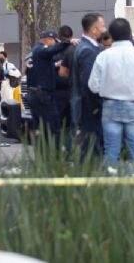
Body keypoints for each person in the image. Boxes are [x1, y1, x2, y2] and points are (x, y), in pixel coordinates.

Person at [88, 18, 134, 166]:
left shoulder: (103, 56)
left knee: (111, 150)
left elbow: (93, 85)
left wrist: (107, 88)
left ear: (111, 35)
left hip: (110, 105)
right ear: (130, 33)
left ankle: (110, 185)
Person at [63, 13, 106, 159]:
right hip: (88, 107)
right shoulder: (88, 50)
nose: (104, 30)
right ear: (94, 30)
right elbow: (88, 82)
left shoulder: (83, 47)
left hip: (82, 104)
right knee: (90, 149)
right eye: (102, 26)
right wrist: (95, 105)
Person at [29, 30, 74, 146]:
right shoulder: (41, 50)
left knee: (40, 128)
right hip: (42, 95)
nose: (55, 44)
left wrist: (55, 65)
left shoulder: (35, 52)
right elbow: (52, 50)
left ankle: (42, 156)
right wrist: (68, 42)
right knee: (54, 127)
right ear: (48, 40)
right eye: (55, 41)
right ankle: (57, 157)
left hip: (35, 94)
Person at [53, 25, 74, 147]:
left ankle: (58, 149)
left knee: (58, 123)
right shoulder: (74, 49)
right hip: (72, 90)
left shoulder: (54, 50)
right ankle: (69, 148)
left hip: (57, 91)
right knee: (72, 123)